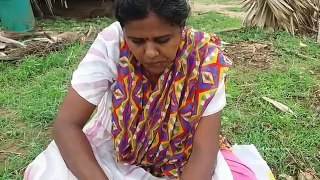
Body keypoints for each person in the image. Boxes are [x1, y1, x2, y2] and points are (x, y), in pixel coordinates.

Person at [24, 0, 274, 179]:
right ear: (124, 33)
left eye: (163, 40)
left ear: (182, 28)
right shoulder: (112, 44)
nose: (151, 53)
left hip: (182, 155)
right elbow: (66, 124)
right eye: (137, 41)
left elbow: (204, 149)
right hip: (117, 148)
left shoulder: (204, 58)